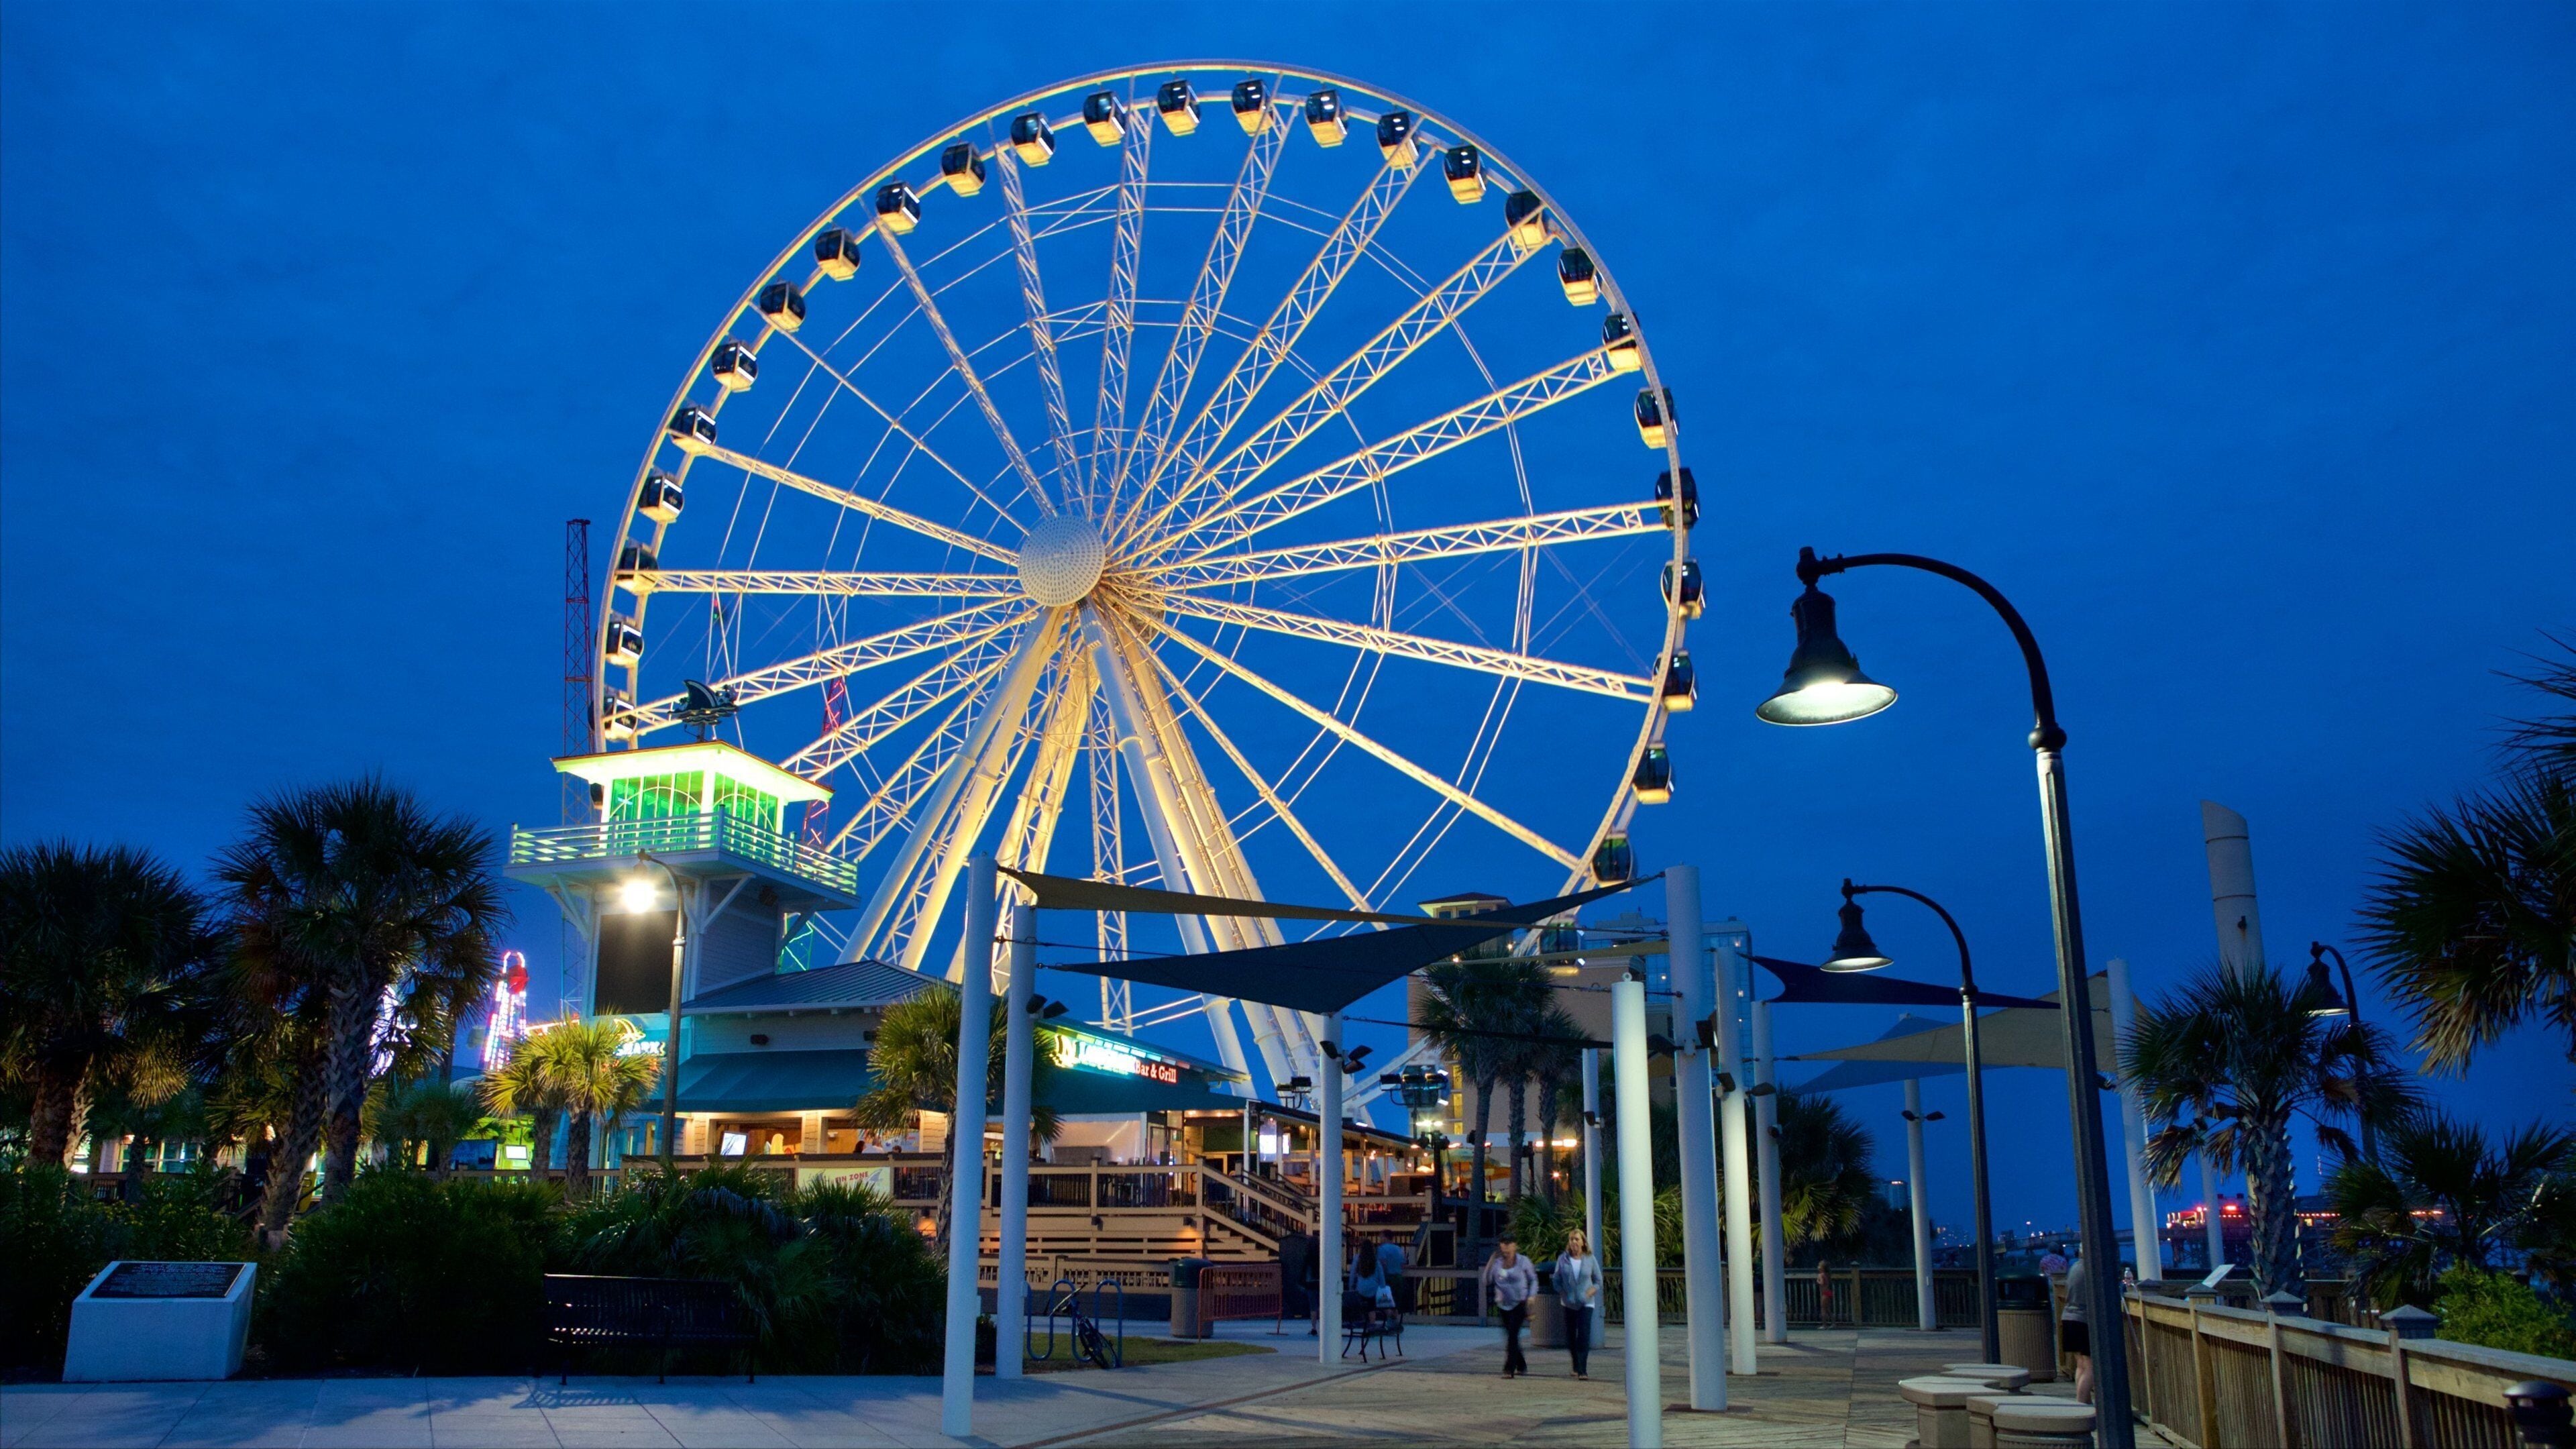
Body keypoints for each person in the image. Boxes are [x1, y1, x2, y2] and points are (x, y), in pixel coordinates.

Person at [1482, 1234, 1538, 1378]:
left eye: (1509, 1244)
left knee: (1513, 1335)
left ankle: (1509, 1369)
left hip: (1520, 1303)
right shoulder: (1498, 1263)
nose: (1506, 1247)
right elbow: (1486, 1280)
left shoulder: (1523, 1261)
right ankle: (1521, 1364)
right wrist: (1490, 1262)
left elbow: (1533, 1280)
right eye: (1503, 1244)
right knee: (1511, 1336)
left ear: (1515, 1246)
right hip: (1503, 1305)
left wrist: (1531, 1296)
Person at [1554, 1230, 1602, 1380]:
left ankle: (1583, 1369)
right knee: (1570, 1336)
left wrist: (1590, 1292)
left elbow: (1598, 1280)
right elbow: (1556, 1280)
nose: (1574, 1242)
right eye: (1571, 1239)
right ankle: (1575, 1363)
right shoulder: (1563, 1259)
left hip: (1586, 1303)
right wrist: (1562, 1293)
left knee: (1584, 1334)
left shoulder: (1590, 1258)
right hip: (1568, 1303)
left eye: (1576, 1239)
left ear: (1583, 1242)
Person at [2061, 1250, 2094, 1404]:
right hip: (2083, 1319)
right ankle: (2081, 1403)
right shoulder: (2090, 1268)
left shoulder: (2075, 1267)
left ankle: (2085, 1402)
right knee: (2091, 1367)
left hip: (2068, 1317)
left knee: (2080, 1364)